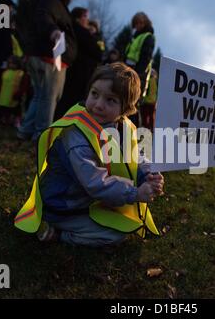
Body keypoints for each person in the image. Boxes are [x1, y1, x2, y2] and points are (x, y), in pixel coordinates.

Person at [14, 62, 164, 247]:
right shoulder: (76, 135)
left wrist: (150, 172)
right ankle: (58, 233)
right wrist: (135, 193)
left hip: (86, 201)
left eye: (111, 100)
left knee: (125, 223)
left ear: (125, 109)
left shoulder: (121, 126)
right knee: (115, 234)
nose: (98, 105)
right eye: (95, 94)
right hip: (64, 205)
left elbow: (135, 155)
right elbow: (94, 182)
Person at [17, 0, 77, 141]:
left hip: (40, 55)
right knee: (49, 97)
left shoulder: (49, 3)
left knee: (40, 96)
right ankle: (42, 135)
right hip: (50, 57)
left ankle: (26, 130)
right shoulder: (52, 3)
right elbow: (43, 17)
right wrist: (53, 31)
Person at [54, 7, 102, 120]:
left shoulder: (77, 30)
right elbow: (96, 51)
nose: (87, 20)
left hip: (79, 70)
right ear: (77, 18)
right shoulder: (78, 30)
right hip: (78, 72)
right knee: (71, 100)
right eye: (85, 16)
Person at [124, 12, 155, 126]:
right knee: (127, 104)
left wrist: (137, 74)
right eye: (136, 23)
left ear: (145, 22)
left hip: (137, 75)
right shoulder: (135, 38)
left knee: (133, 106)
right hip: (129, 71)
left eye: (140, 22)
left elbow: (145, 57)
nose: (138, 25)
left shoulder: (148, 37)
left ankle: (133, 136)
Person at [0, 56, 26, 125]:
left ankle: (16, 121)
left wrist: (20, 93)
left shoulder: (20, 73)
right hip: (3, 96)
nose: (11, 65)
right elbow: (0, 83)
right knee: (5, 109)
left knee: (16, 109)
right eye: (10, 63)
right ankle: (5, 119)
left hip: (14, 96)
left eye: (13, 63)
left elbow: (23, 85)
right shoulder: (5, 72)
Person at [140, 68, 158, 132]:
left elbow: (145, 91)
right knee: (151, 118)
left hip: (146, 101)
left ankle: (146, 131)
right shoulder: (156, 81)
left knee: (145, 118)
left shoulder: (148, 80)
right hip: (153, 102)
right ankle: (152, 131)